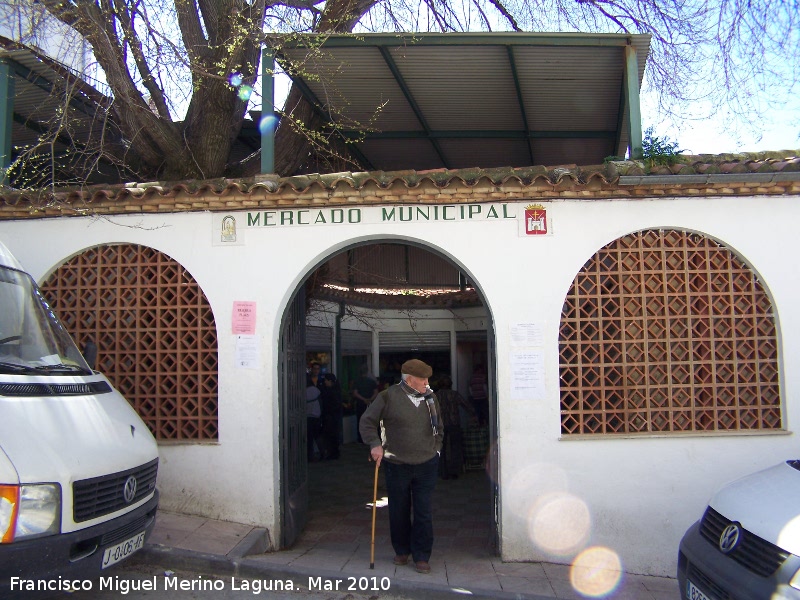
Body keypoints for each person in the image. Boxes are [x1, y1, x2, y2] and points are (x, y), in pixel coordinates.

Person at [359, 359, 443, 575]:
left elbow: (439, 428)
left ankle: (422, 555)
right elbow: (367, 421)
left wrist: (437, 450)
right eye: (422, 379)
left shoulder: (430, 398)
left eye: (427, 378)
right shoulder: (388, 397)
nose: (426, 382)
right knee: (399, 509)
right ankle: (402, 550)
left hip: (426, 463)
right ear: (409, 379)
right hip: (396, 464)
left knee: (424, 511)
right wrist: (375, 444)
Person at [435, 375, 477, 480]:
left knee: (441, 449)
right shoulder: (454, 394)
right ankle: (454, 471)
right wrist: (474, 414)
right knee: (455, 448)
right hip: (454, 423)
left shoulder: (436, 396)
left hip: (440, 424)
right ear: (450, 384)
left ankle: (443, 472)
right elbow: (465, 405)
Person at [351, 364, 378, 443]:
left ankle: (361, 438)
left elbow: (355, 393)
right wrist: (370, 399)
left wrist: (363, 399)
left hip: (360, 403)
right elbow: (376, 392)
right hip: (370, 404)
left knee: (360, 421)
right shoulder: (372, 381)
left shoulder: (357, 381)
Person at [319, 373, 343, 460]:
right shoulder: (335, 390)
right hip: (332, 417)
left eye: (326, 380)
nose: (325, 382)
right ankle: (333, 452)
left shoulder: (332, 392)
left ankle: (332, 452)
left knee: (331, 436)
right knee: (332, 435)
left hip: (331, 417)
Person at [305, 384, 322, 461]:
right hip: (316, 416)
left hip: (308, 416)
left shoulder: (304, 391)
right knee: (317, 436)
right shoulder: (316, 390)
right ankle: (322, 452)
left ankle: (309, 455)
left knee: (309, 438)